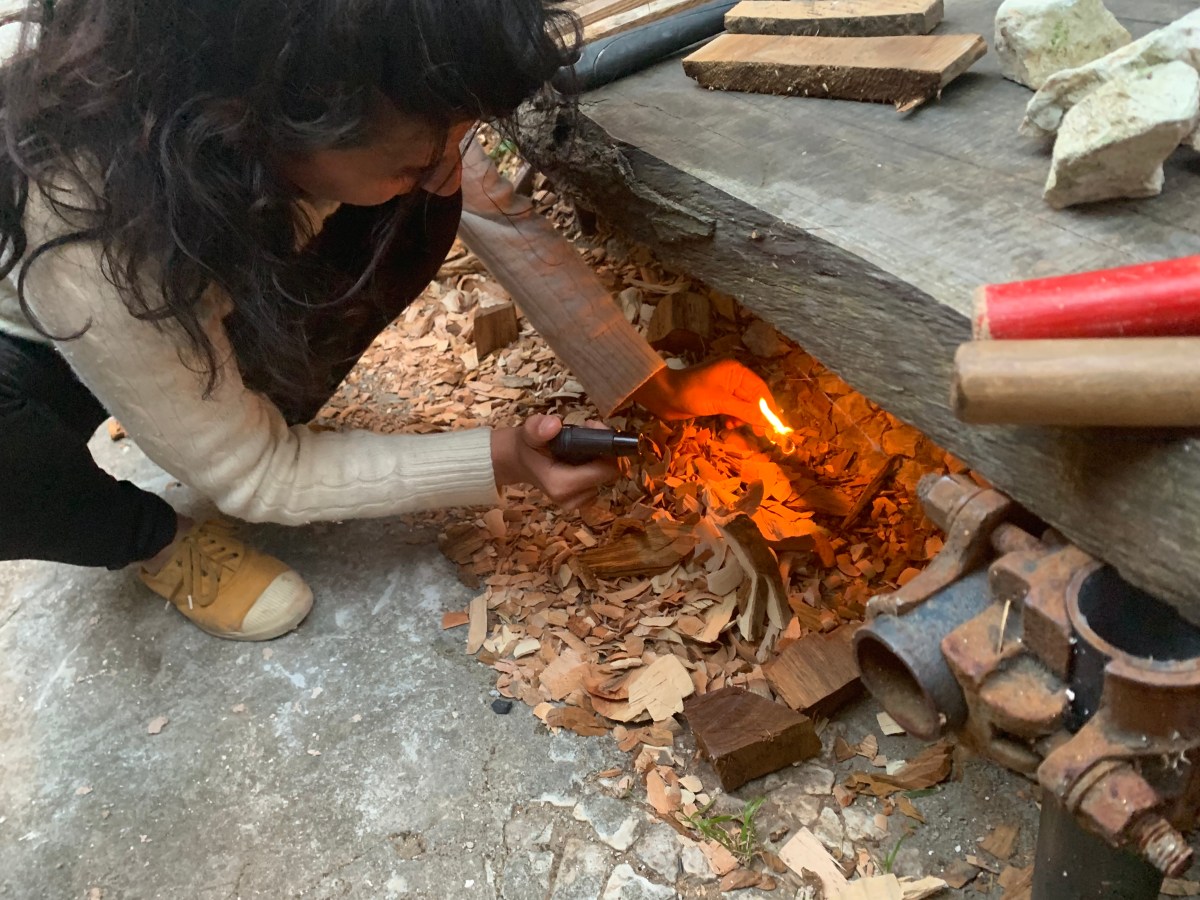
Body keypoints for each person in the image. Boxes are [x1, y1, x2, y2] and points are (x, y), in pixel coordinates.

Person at [0, 0, 777, 642]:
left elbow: (494, 209)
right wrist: (501, 458)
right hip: (32, 343)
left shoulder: (340, 65)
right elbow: (257, 473)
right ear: (282, 118)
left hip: (184, 254)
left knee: (423, 208)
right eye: (414, 158)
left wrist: (644, 383)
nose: (446, 167)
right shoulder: (93, 220)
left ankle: (187, 399)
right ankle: (149, 536)